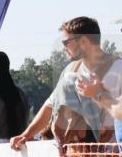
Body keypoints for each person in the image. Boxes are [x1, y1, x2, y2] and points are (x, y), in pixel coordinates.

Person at [12, 17, 122, 150]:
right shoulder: (71, 70)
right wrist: (26, 134)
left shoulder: (118, 68)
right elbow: (50, 106)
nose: (63, 48)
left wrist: (97, 94)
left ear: (83, 41)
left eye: (66, 43)